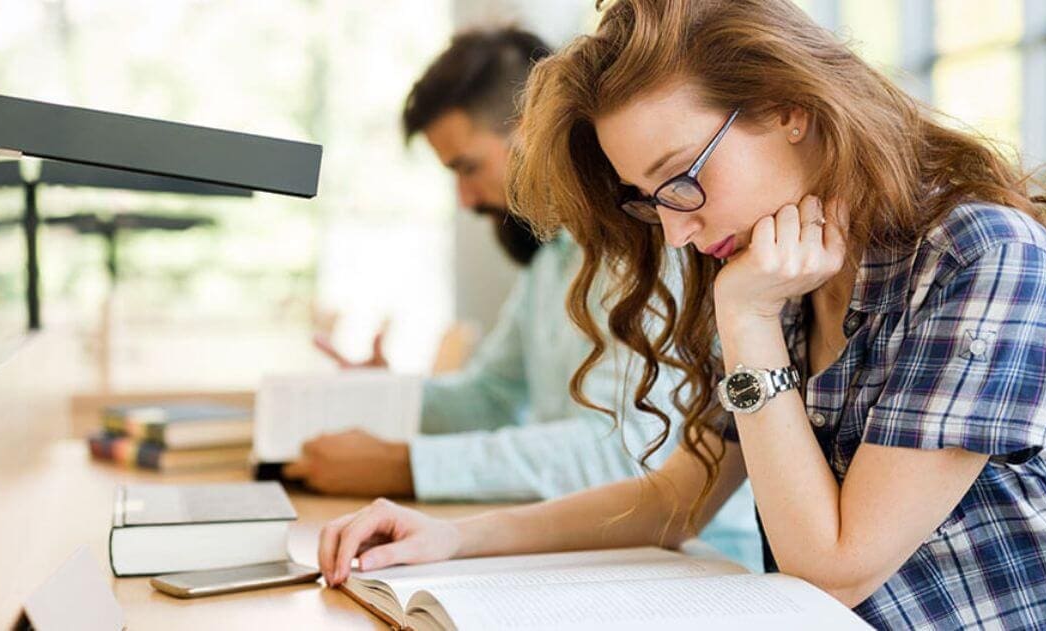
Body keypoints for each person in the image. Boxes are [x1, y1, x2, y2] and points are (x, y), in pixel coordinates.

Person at [316, 1, 1046, 628]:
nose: (675, 230)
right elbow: (678, 496)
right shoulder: (781, 270)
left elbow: (833, 570)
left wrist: (747, 324)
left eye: (680, 178)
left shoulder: (981, 257)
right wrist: (453, 537)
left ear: (791, 110)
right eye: (649, 197)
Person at [287, 26, 762, 570]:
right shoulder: (555, 255)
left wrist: (407, 465)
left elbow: (620, 454)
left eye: (467, 167)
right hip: (593, 542)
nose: (466, 200)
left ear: (532, 131)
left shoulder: (652, 246)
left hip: (694, 559)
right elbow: (493, 394)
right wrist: (380, 397)